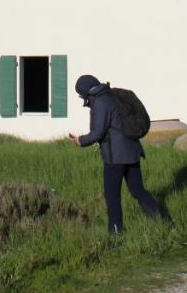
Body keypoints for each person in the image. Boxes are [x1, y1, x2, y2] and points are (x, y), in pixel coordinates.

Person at [67, 74, 163, 233]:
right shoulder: (112, 94)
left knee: (112, 196)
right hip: (132, 151)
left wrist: (80, 140)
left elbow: (97, 133)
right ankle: (163, 222)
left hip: (115, 156)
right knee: (138, 190)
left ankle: (116, 232)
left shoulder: (100, 102)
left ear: (85, 92)